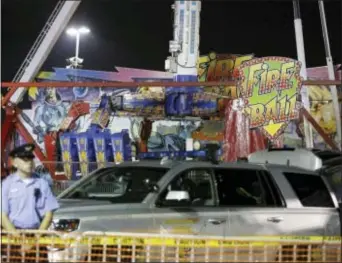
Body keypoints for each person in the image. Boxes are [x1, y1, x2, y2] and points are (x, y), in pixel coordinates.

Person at [1, 143, 60, 262]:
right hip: (13, 238)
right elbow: (3, 216)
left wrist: (34, 240)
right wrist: (18, 240)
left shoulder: (41, 183)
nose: (29, 163)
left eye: (31, 159)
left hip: (37, 235)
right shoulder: (7, 185)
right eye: (24, 159)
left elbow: (48, 215)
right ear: (15, 162)